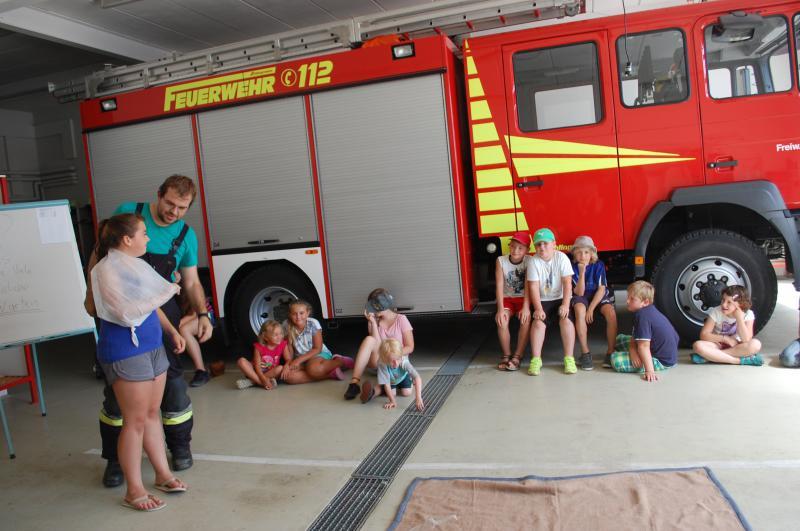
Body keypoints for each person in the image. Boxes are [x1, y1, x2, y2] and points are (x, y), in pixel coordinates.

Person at [85, 175, 212, 487]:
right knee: (119, 401)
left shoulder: (186, 236)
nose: (174, 212)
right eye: (170, 203)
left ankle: (179, 448)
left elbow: (191, 282)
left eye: (182, 208)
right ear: (159, 195)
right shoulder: (130, 213)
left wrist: (201, 313)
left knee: (173, 387)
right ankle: (116, 461)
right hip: (122, 322)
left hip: (156, 319)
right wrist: (92, 293)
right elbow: (101, 252)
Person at [92, 213, 188, 511]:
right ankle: (134, 491)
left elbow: (152, 305)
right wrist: (167, 290)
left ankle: (162, 474)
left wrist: (171, 330)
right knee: (133, 422)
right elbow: (125, 312)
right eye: (143, 233)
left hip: (152, 346)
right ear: (127, 239)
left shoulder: (137, 264)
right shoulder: (105, 270)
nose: (148, 237)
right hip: (126, 351)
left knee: (150, 415)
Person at [344, 288, 414, 399]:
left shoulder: (401, 319)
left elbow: (410, 347)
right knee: (369, 339)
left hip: (397, 363)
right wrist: (372, 323)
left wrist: (393, 356)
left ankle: (375, 391)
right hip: (380, 363)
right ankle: (354, 383)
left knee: (405, 392)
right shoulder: (374, 321)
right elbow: (377, 344)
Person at [526, 227, 576, 376]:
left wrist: (566, 305)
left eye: (545, 243)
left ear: (554, 243)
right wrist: (538, 309)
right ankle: (536, 360)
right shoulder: (533, 261)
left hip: (561, 298)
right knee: (537, 323)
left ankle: (569, 358)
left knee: (566, 320)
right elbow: (533, 287)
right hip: (542, 299)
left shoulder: (561, 258)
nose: (542, 247)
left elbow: (567, 283)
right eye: (538, 244)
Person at [610, 281, 678, 382]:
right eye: (628, 297)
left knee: (615, 359)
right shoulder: (644, 311)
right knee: (619, 339)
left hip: (660, 360)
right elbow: (635, 335)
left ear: (645, 302)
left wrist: (649, 371)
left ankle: (645, 363)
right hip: (652, 347)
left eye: (632, 299)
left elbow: (643, 346)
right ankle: (628, 353)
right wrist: (632, 350)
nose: (627, 301)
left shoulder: (643, 317)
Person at [570, 236, 618, 370]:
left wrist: (591, 309)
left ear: (592, 253)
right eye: (579, 252)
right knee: (579, 310)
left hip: (597, 295)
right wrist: (582, 271)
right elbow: (579, 293)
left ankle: (610, 352)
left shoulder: (599, 265)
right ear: (574, 253)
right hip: (582, 295)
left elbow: (601, 289)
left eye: (586, 252)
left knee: (611, 313)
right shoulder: (572, 267)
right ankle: (585, 353)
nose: (583, 256)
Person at [280, 299, 353, 384]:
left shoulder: (313, 323)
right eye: (294, 314)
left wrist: (298, 361)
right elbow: (289, 347)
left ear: (308, 313)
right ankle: (330, 374)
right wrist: (288, 364)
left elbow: (317, 348)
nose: (298, 316)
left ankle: (340, 361)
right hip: (301, 359)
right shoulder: (286, 325)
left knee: (313, 369)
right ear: (289, 314)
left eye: (301, 313)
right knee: (288, 377)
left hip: (317, 354)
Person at [691, 286, 763, 365]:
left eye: (729, 302)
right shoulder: (716, 311)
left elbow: (746, 340)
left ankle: (709, 357)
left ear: (740, 304)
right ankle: (739, 361)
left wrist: (739, 319)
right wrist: (726, 339)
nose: (724, 304)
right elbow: (704, 335)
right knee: (697, 346)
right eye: (723, 300)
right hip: (718, 344)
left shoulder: (748, 314)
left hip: (738, 346)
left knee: (755, 345)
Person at [494, 232, 532, 371]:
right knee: (502, 320)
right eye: (513, 246)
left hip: (524, 299)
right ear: (509, 246)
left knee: (525, 320)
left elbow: (529, 286)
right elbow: (499, 286)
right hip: (507, 299)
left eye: (520, 248)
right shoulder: (500, 260)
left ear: (527, 250)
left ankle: (517, 356)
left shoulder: (529, 261)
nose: (516, 251)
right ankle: (506, 355)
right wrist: (500, 309)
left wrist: (526, 307)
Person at [360, 339, 424, 411]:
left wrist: (418, 398)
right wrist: (392, 401)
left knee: (406, 392)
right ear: (385, 360)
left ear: (400, 355)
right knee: (392, 394)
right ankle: (373, 392)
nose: (396, 363)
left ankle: (410, 381)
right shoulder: (382, 364)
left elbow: (417, 377)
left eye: (398, 359)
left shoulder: (404, 362)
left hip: (403, 377)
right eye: (392, 361)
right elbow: (387, 384)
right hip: (391, 381)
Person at [236, 320, 287, 389]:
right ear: (265, 337)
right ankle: (261, 383)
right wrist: (263, 379)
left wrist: (286, 366)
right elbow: (257, 367)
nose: (279, 337)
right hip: (256, 372)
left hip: (271, 372)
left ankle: (251, 382)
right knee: (241, 361)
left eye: (281, 333)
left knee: (280, 368)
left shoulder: (282, 344)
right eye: (275, 335)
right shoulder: (259, 347)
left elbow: (288, 359)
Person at [177, 291, 213, 387]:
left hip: (205, 317)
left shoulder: (188, 288)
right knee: (179, 329)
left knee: (184, 330)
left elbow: (193, 314)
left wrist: (173, 326)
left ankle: (202, 371)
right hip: (193, 317)